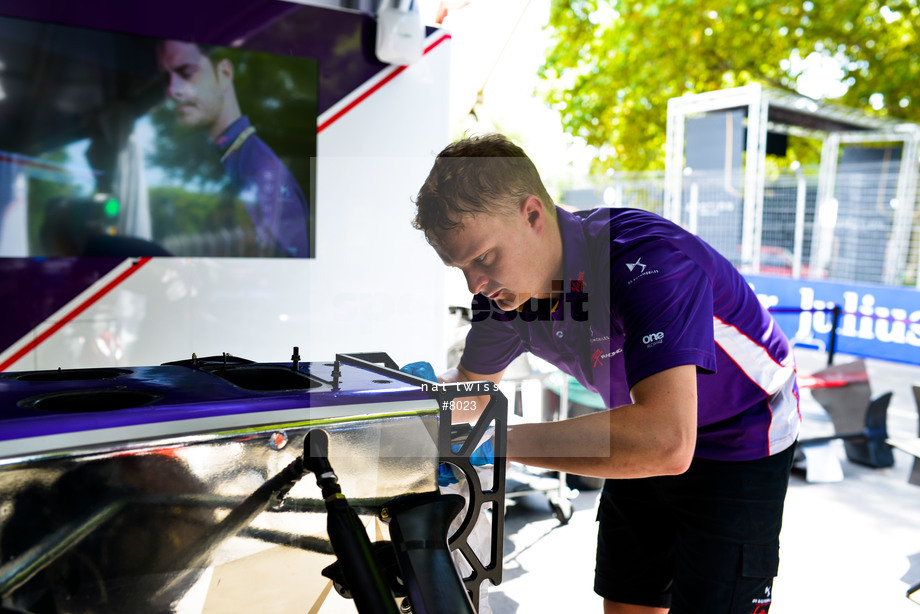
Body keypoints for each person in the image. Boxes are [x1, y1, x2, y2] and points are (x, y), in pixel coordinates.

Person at [412, 133, 800, 614]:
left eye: (484, 258)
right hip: (636, 420)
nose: (475, 284)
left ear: (532, 214)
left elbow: (665, 441)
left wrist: (498, 441)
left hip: (740, 433)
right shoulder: (502, 297)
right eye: (461, 268)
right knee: (628, 602)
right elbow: (471, 394)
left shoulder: (647, 264)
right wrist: (411, 409)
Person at [156, 40, 310, 257]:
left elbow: (293, 276)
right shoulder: (223, 157)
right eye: (166, 78)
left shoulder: (262, 170)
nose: (173, 90)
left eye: (187, 73)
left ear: (225, 73)